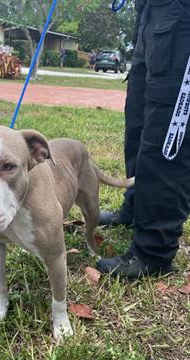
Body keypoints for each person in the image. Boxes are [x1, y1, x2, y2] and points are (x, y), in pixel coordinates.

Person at [97, 0, 190, 279]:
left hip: (182, 20)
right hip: (151, 14)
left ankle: (154, 251)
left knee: (167, 138)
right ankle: (135, 208)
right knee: (138, 122)